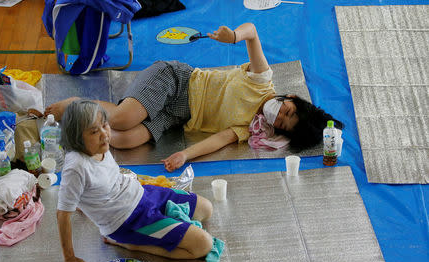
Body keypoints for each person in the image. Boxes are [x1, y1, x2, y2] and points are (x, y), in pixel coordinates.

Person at [46, 23, 343, 173]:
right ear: (290, 97)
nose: (279, 115)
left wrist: (184, 155)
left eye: (283, 123)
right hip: (175, 81)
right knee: (123, 119)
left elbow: (218, 140)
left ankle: (75, 125)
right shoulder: (261, 80)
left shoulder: (249, 128)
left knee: (123, 140)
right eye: (289, 111)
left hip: (176, 116)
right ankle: (75, 105)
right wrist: (235, 37)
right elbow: (252, 31)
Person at [57, 100, 215, 262]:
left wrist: (83, 203)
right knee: (203, 245)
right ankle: (130, 244)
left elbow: (88, 189)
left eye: (105, 125)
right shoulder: (75, 167)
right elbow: (62, 214)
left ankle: (163, 229)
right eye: (94, 131)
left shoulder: (98, 145)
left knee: (206, 209)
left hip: (142, 194)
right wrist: (69, 259)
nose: (104, 134)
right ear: (76, 137)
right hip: (127, 220)